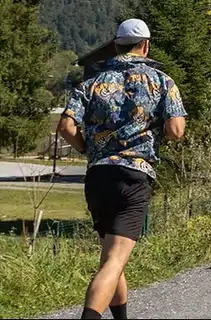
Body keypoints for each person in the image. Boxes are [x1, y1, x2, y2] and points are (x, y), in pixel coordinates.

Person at [57, 19, 187, 320]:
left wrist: (87, 148)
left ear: (116, 45)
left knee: (111, 256)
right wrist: (156, 134)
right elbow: (176, 130)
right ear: (145, 45)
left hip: (98, 176)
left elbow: (65, 126)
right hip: (134, 175)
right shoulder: (162, 81)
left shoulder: (91, 83)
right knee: (115, 260)